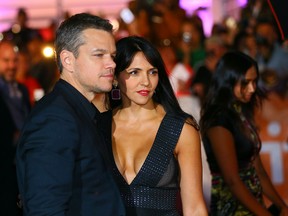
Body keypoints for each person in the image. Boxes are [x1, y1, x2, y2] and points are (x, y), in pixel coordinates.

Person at [16, 13, 125, 216]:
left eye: (112, 56)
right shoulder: (55, 120)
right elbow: (45, 209)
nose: (111, 64)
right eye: (99, 55)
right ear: (67, 60)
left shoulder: (78, 111)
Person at [108, 36, 208, 215]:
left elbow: (194, 208)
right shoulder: (101, 125)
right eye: (134, 72)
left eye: (152, 72)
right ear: (115, 77)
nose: (145, 81)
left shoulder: (181, 129)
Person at [200, 51, 288, 215]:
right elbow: (232, 180)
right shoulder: (218, 119)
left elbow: (258, 169)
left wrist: (282, 206)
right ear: (228, 81)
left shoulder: (240, 112)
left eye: (255, 81)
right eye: (245, 82)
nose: (252, 88)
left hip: (253, 204)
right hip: (232, 207)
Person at [0, 41, 26, 216]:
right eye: (6, 60)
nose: (11, 65)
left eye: (14, 60)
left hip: (20, 164)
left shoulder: (21, 89)